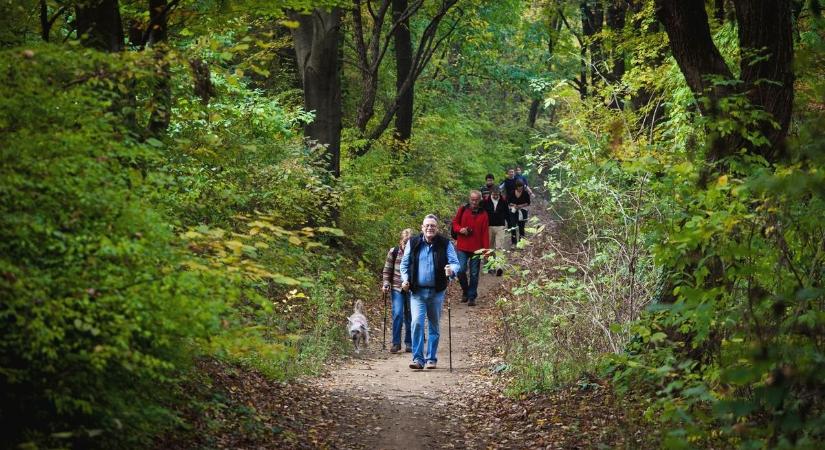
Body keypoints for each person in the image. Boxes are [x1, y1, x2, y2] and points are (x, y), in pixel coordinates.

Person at [400, 215, 461, 370]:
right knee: (417, 323)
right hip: (417, 292)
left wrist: (451, 270)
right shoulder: (413, 243)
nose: (430, 228)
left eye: (433, 226)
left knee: (434, 325)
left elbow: (455, 263)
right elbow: (404, 264)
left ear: (437, 228)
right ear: (422, 227)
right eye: (427, 225)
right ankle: (418, 359)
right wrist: (405, 280)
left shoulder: (445, 243)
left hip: (436, 292)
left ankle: (431, 358)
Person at [451, 190, 489, 306]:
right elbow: (455, 223)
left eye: (476, 199)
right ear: (469, 199)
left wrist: (486, 252)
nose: (474, 202)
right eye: (472, 199)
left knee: (474, 273)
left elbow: (485, 234)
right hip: (462, 246)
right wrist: (460, 230)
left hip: (476, 249)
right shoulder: (462, 210)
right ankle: (465, 291)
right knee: (461, 270)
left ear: (480, 200)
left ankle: (471, 296)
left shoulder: (484, 214)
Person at [382, 228, 414, 353]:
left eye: (409, 241)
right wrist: (386, 283)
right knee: (397, 314)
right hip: (396, 287)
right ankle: (396, 343)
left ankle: (409, 342)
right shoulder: (393, 252)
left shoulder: (415, 252)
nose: (406, 244)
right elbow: (387, 270)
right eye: (405, 241)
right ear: (401, 240)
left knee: (410, 315)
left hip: (412, 288)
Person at [482, 186, 509, 276]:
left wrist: (510, 224)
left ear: (500, 193)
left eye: (497, 194)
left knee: (499, 247)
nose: (496, 196)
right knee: (489, 248)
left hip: (500, 226)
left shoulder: (504, 201)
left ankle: (499, 267)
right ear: (491, 193)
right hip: (489, 227)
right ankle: (490, 266)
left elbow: (507, 213)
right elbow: (481, 214)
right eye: (494, 194)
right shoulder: (485, 202)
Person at [508, 181, 531, 245]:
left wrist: (521, 206)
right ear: (516, 187)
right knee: (513, 227)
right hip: (513, 211)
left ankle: (521, 243)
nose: (520, 188)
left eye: (521, 187)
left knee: (521, 227)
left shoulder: (525, 193)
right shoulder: (512, 192)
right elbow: (508, 201)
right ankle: (513, 243)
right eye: (519, 187)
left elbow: (528, 203)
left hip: (522, 211)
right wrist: (514, 205)